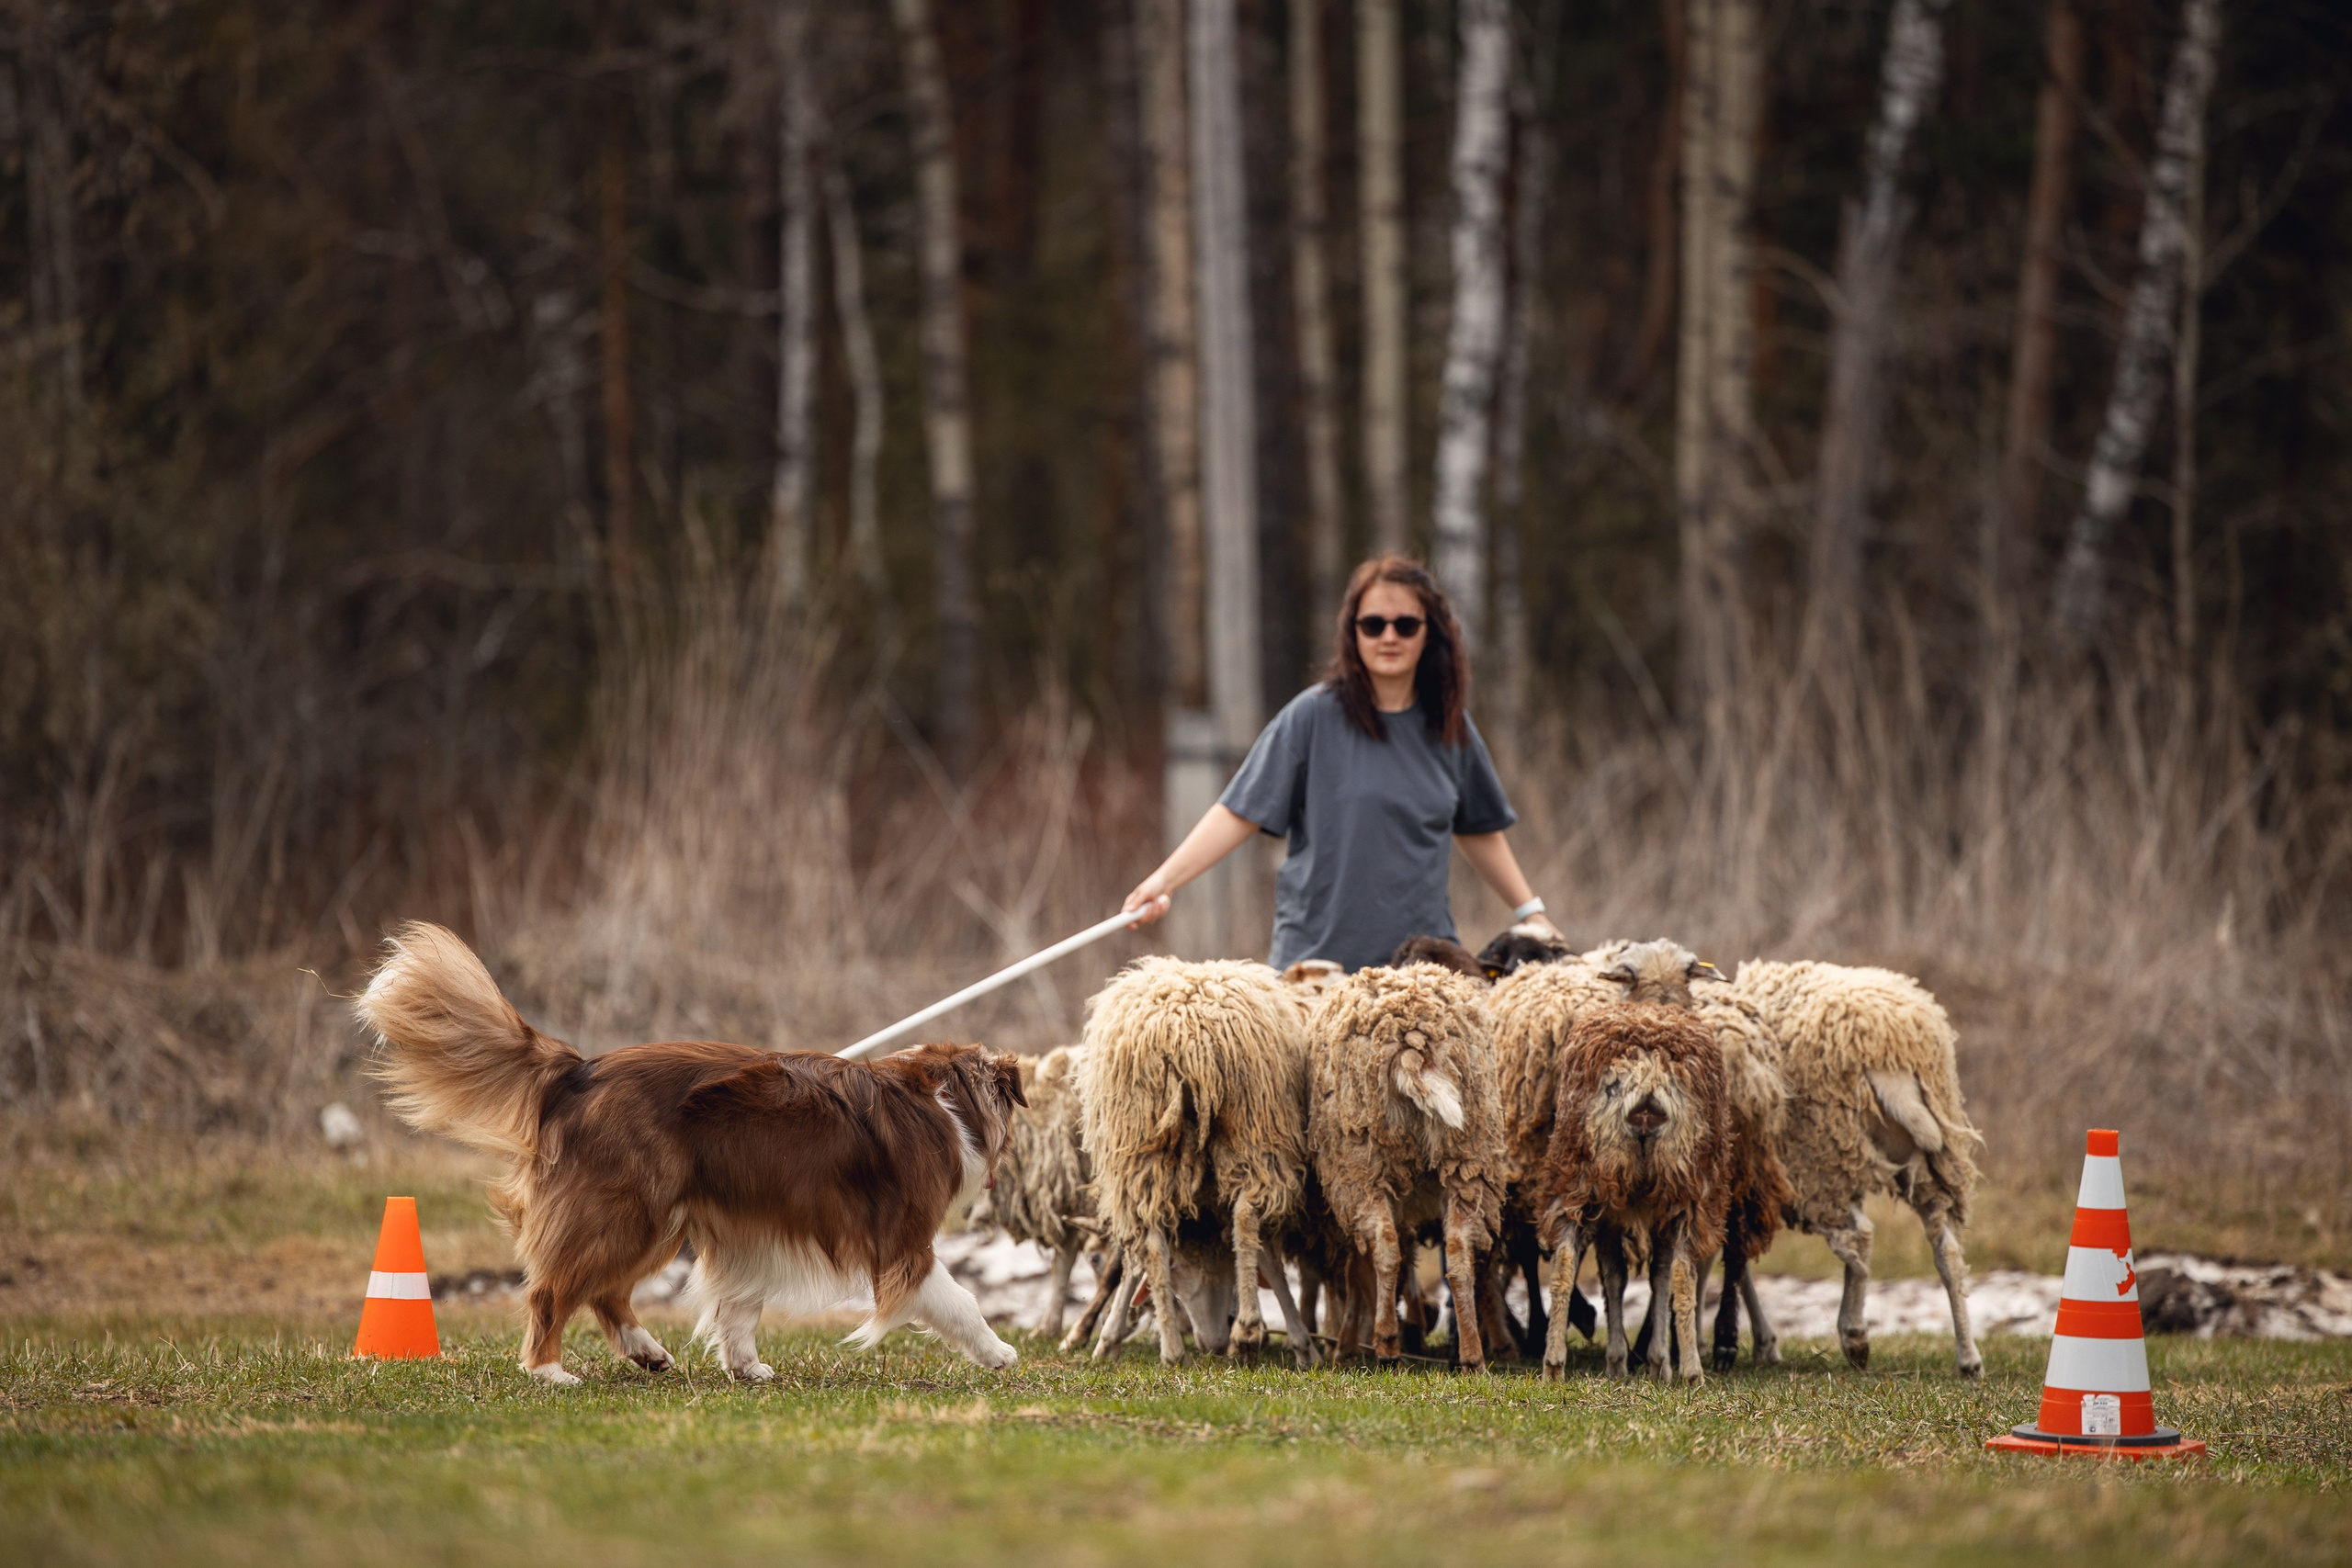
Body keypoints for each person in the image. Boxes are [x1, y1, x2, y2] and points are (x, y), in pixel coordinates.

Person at [1123, 556, 1562, 971]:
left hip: (1423, 975)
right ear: (1353, 632)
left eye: (1406, 625)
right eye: (1373, 625)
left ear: (1431, 633)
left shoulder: (1450, 727)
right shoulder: (1311, 717)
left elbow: (1479, 830)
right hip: (1316, 973)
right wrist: (1164, 881)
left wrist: (1531, 913)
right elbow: (1240, 811)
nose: (1389, 637)